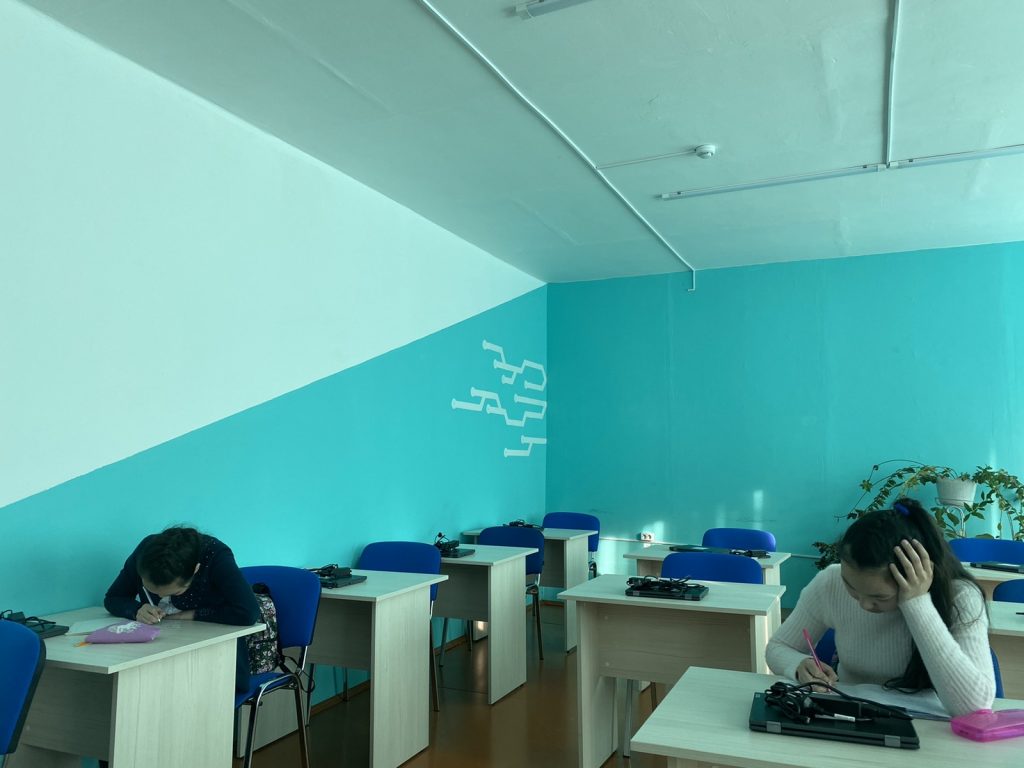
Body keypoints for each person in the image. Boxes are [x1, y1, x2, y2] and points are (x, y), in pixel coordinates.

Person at [766, 497, 995, 716]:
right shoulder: (830, 581)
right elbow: (778, 646)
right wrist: (798, 664)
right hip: (849, 715)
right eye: (851, 587)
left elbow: (974, 707)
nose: (864, 604)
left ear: (915, 575)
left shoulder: (961, 596)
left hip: (927, 727)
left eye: (880, 597)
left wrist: (917, 603)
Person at [104, 525, 260, 691]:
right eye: (151, 590)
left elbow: (248, 612)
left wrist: (193, 614)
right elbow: (113, 598)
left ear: (195, 570)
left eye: (176, 592)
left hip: (216, 659)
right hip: (159, 651)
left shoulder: (216, 555)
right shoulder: (146, 553)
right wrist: (137, 609)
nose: (160, 596)